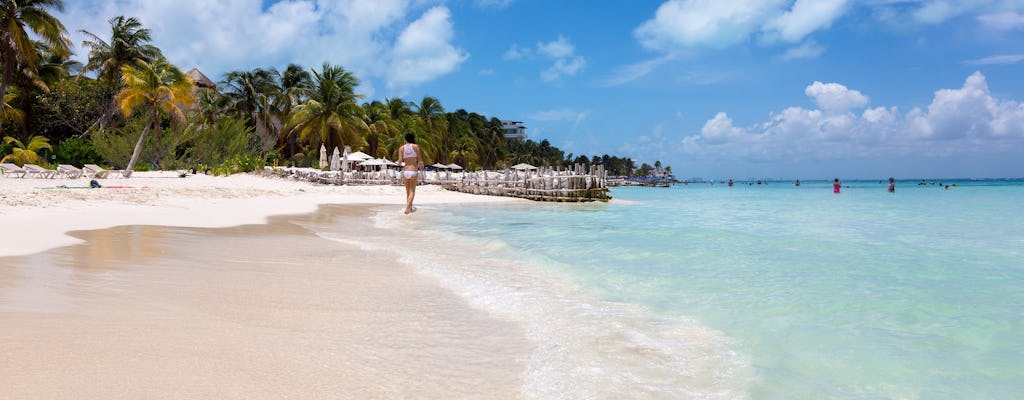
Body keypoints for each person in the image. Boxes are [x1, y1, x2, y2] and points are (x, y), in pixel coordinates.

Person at [396, 132, 425, 214]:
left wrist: (398, 162)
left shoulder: (401, 148)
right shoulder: (416, 147)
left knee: (408, 192)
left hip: (405, 171)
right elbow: (420, 160)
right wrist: (421, 166)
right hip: (413, 170)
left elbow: (400, 161)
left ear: (405, 139)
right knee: (412, 191)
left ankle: (410, 207)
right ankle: (407, 208)